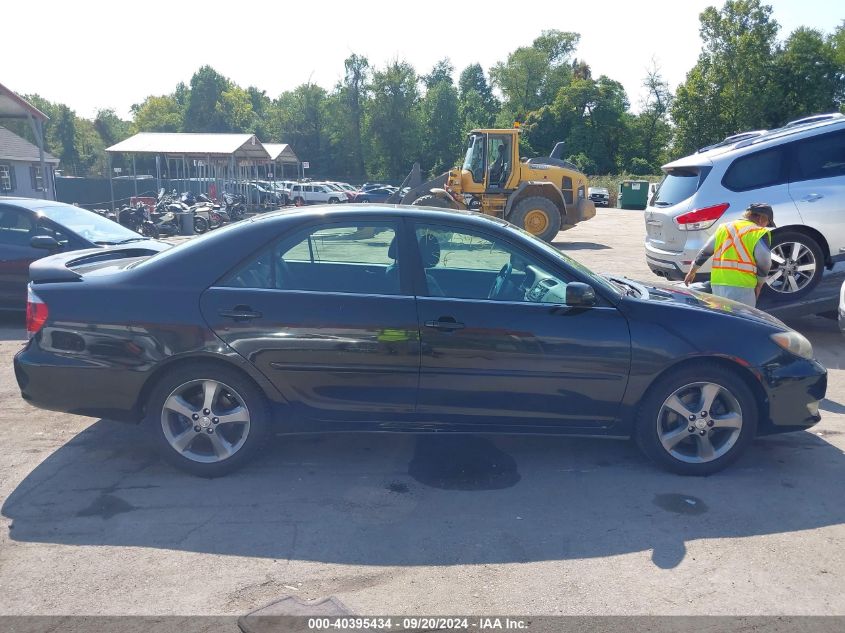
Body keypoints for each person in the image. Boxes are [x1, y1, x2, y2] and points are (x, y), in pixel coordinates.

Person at [684, 203, 775, 307]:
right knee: (742, 321)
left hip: (718, 285)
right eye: (767, 222)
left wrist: (692, 271)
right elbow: (765, 262)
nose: (766, 226)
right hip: (743, 286)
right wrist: (760, 284)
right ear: (761, 218)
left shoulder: (724, 228)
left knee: (722, 318)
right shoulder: (759, 232)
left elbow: (705, 251)